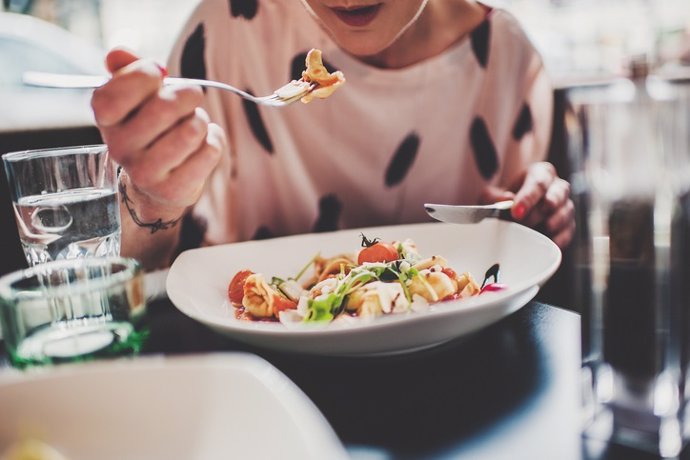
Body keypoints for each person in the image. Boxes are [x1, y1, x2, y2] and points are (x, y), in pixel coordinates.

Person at [91, 0, 574, 271]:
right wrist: (153, 202)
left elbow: (510, 260)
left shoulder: (506, 61)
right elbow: (143, 273)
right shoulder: (226, 33)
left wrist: (530, 220)